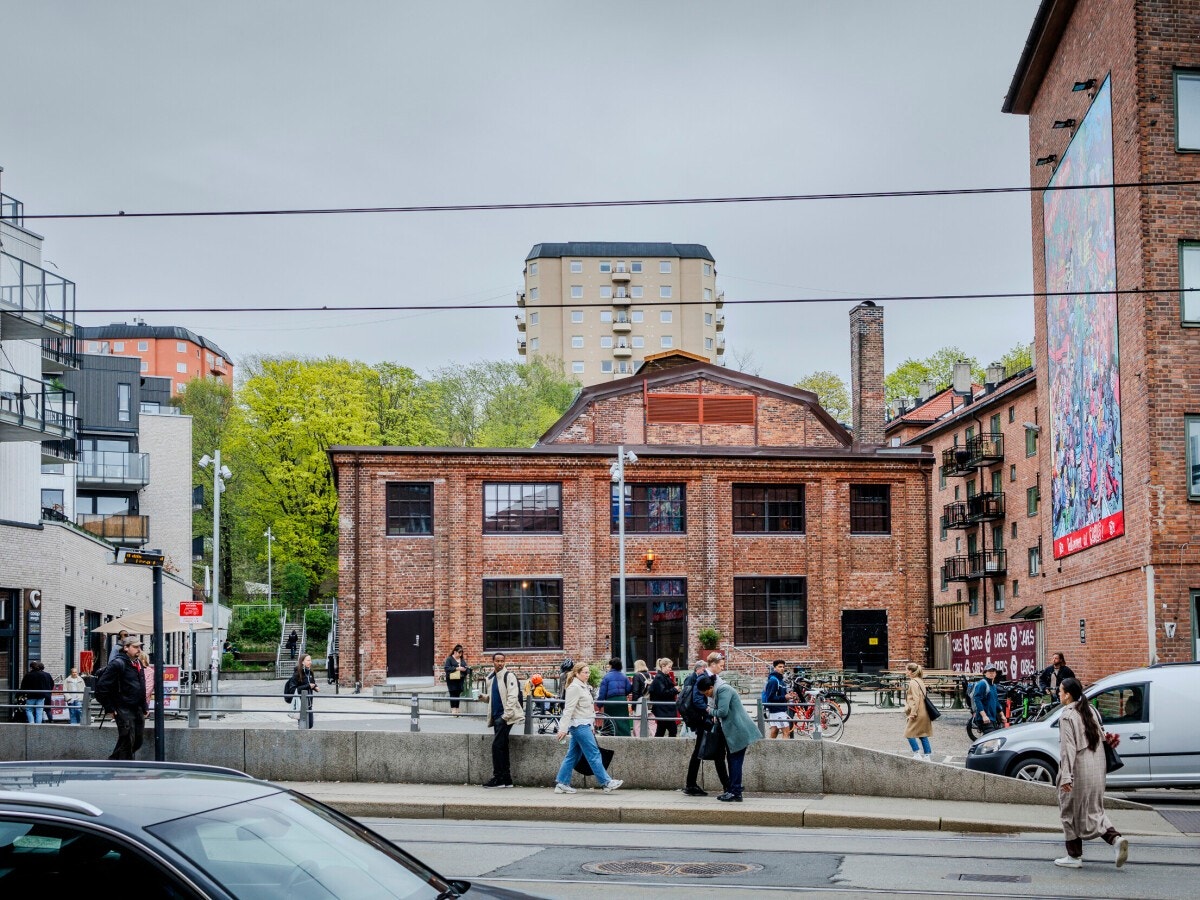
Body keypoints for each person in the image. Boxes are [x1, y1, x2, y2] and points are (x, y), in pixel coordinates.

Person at [1054, 677, 1129, 869]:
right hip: (1097, 766)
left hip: (1078, 768)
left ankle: (1074, 856)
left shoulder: (1067, 715)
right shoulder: (1090, 710)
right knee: (1094, 810)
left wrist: (1066, 776)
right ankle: (1115, 840)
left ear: (1068, 694)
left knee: (1068, 811)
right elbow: (1104, 739)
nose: (1058, 693)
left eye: (1060, 690)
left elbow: (1068, 748)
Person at [554, 661, 623, 794]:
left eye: (588, 672)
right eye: (585, 672)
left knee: (573, 755)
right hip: (579, 724)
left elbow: (587, 710)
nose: (588, 674)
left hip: (582, 724)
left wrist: (590, 724)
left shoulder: (582, 686)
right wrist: (562, 729)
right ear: (577, 673)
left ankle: (562, 783)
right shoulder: (575, 687)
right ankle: (606, 782)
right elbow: (568, 709)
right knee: (593, 753)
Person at [701, 674, 761, 802]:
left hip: (738, 731)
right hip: (733, 732)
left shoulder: (723, 690)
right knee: (733, 760)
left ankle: (736, 792)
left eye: (707, 693)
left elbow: (723, 712)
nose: (707, 696)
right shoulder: (719, 690)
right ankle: (733, 790)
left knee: (735, 762)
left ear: (711, 687)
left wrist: (709, 710)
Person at [96, 637, 148, 760]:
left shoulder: (137, 663)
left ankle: (113, 762)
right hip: (123, 707)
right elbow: (101, 688)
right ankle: (124, 769)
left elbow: (141, 686)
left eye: (140, 647)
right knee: (127, 740)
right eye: (135, 647)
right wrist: (109, 708)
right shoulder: (117, 663)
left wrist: (144, 706)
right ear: (126, 648)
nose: (139, 650)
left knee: (137, 740)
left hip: (137, 707)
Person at [683, 669, 729, 796]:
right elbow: (699, 701)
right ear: (712, 665)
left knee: (705, 753)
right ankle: (726, 785)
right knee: (715, 753)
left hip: (705, 721)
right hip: (706, 722)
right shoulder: (703, 680)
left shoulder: (704, 678)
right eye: (719, 665)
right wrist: (710, 712)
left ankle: (691, 784)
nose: (721, 667)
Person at [483, 652, 524, 788]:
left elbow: (512, 696)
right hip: (497, 717)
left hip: (505, 717)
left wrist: (505, 716)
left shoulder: (508, 676)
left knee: (497, 746)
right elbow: (494, 697)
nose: (500, 663)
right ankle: (506, 779)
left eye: (502, 661)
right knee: (502, 746)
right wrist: (483, 698)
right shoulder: (491, 678)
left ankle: (498, 778)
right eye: (497, 661)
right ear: (492, 662)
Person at [903, 662, 934, 760]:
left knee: (908, 733)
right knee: (922, 734)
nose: (905, 671)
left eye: (907, 670)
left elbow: (916, 699)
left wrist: (913, 713)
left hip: (917, 712)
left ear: (911, 671)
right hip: (924, 711)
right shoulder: (920, 680)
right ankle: (927, 755)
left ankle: (916, 754)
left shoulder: (913, 682)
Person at [597, 658, 633, 737]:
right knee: (623, 719)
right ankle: (625, 735)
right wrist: (623, 695)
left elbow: (602, 692)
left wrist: (599, 704)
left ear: (611, 666)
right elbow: (629, 689)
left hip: (610, 701)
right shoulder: (624, 676)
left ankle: (611, 734)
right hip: (622, 700)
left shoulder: (606, 677)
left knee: (610, 720)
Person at [648, 658, 679, 737]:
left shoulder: (662, 677)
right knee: (671, 730)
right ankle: (671, 747)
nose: (670, 669)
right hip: (664, 709)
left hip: (664, 709)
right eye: (669, 667)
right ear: (663, 666)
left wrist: (675, 690)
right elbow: (663, 692)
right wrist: (675, 689)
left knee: (661, 730)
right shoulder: (660, 677)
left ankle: (656, 746)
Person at [970, 665, 1006, 734]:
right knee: (990, 741)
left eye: (993, 672)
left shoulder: (993, 686)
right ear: (985, 673)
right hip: (984, 719)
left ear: (995, 674)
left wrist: (1002, 715)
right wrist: (984, 716)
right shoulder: (982, 684)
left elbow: (996, 702)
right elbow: (977, 700)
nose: (992, 673)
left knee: (992, 740)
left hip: (992, 718)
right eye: (989, 671)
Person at [286, 654, 319, 728]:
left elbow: (312, 683)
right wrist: (308, 686)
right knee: (303, 725)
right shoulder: (297, 674)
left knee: (310, 725)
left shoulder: (310, 672)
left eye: (310, 660)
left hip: (309, 703)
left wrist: (315, 687)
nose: (310, 662)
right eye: (308, 660)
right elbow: (293, 690)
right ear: (302, 662)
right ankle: (300, 737)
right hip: (301, 704)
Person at [763, 660, 791, 739]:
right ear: (774, 668)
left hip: (777, 710)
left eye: (783, 667)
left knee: (774, 732)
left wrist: (788, 696)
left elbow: (781, 695)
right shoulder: (774, 681)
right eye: (780, 667)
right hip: (777, 710)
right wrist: (784, 697)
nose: (782, 668)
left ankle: (769, 750)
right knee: (786, 732)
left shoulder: (781, 680)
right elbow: (770, 697)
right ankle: (784, 751)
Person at [443, 644, 468, 715]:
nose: (460, 655)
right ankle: (453, 709)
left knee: (458, 693)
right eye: (459, 653)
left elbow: (465, 667)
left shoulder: (462, 659)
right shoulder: (449, 659)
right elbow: (447, 668)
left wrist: (464, 670)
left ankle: (457, 708)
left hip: (460, 679)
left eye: (461, 653)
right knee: (453, 693)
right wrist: (457, 668)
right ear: (455, 652)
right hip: (451, 679)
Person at [630, 659, 652, 735]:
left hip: (640, 701)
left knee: (637, 722)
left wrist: (633, 705)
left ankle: (638, 740)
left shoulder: (637, 676)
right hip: (650, 701)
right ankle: (654, 738)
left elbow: (635, 691)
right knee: (652, 722)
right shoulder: (651, 675)